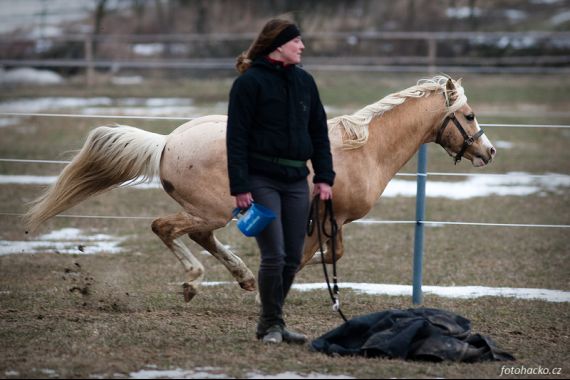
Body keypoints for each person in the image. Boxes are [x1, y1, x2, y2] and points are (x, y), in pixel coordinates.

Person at [226, 18, 335, 344]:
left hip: (296, 180)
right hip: (261, 180)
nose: (302, 46)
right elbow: (236, 138)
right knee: (273, 255)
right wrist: (240, 186)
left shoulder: (305, 82)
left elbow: (319, 132)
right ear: (278, 45)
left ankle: (271, 322)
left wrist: (325, 177)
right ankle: (272, 324)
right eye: (296, 41)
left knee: (291, 257)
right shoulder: (249, 84)